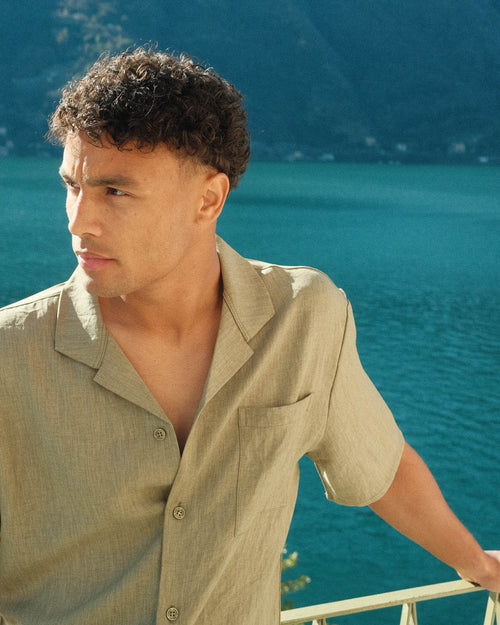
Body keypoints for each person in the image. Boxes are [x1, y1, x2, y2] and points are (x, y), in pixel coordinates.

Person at [0, 47, 498, 625]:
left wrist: (478, 565)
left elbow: (381, 465)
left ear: (209, 198)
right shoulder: (12, 353)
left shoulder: (304, 317)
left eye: (115, 191)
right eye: (72, 185)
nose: (78, 221)